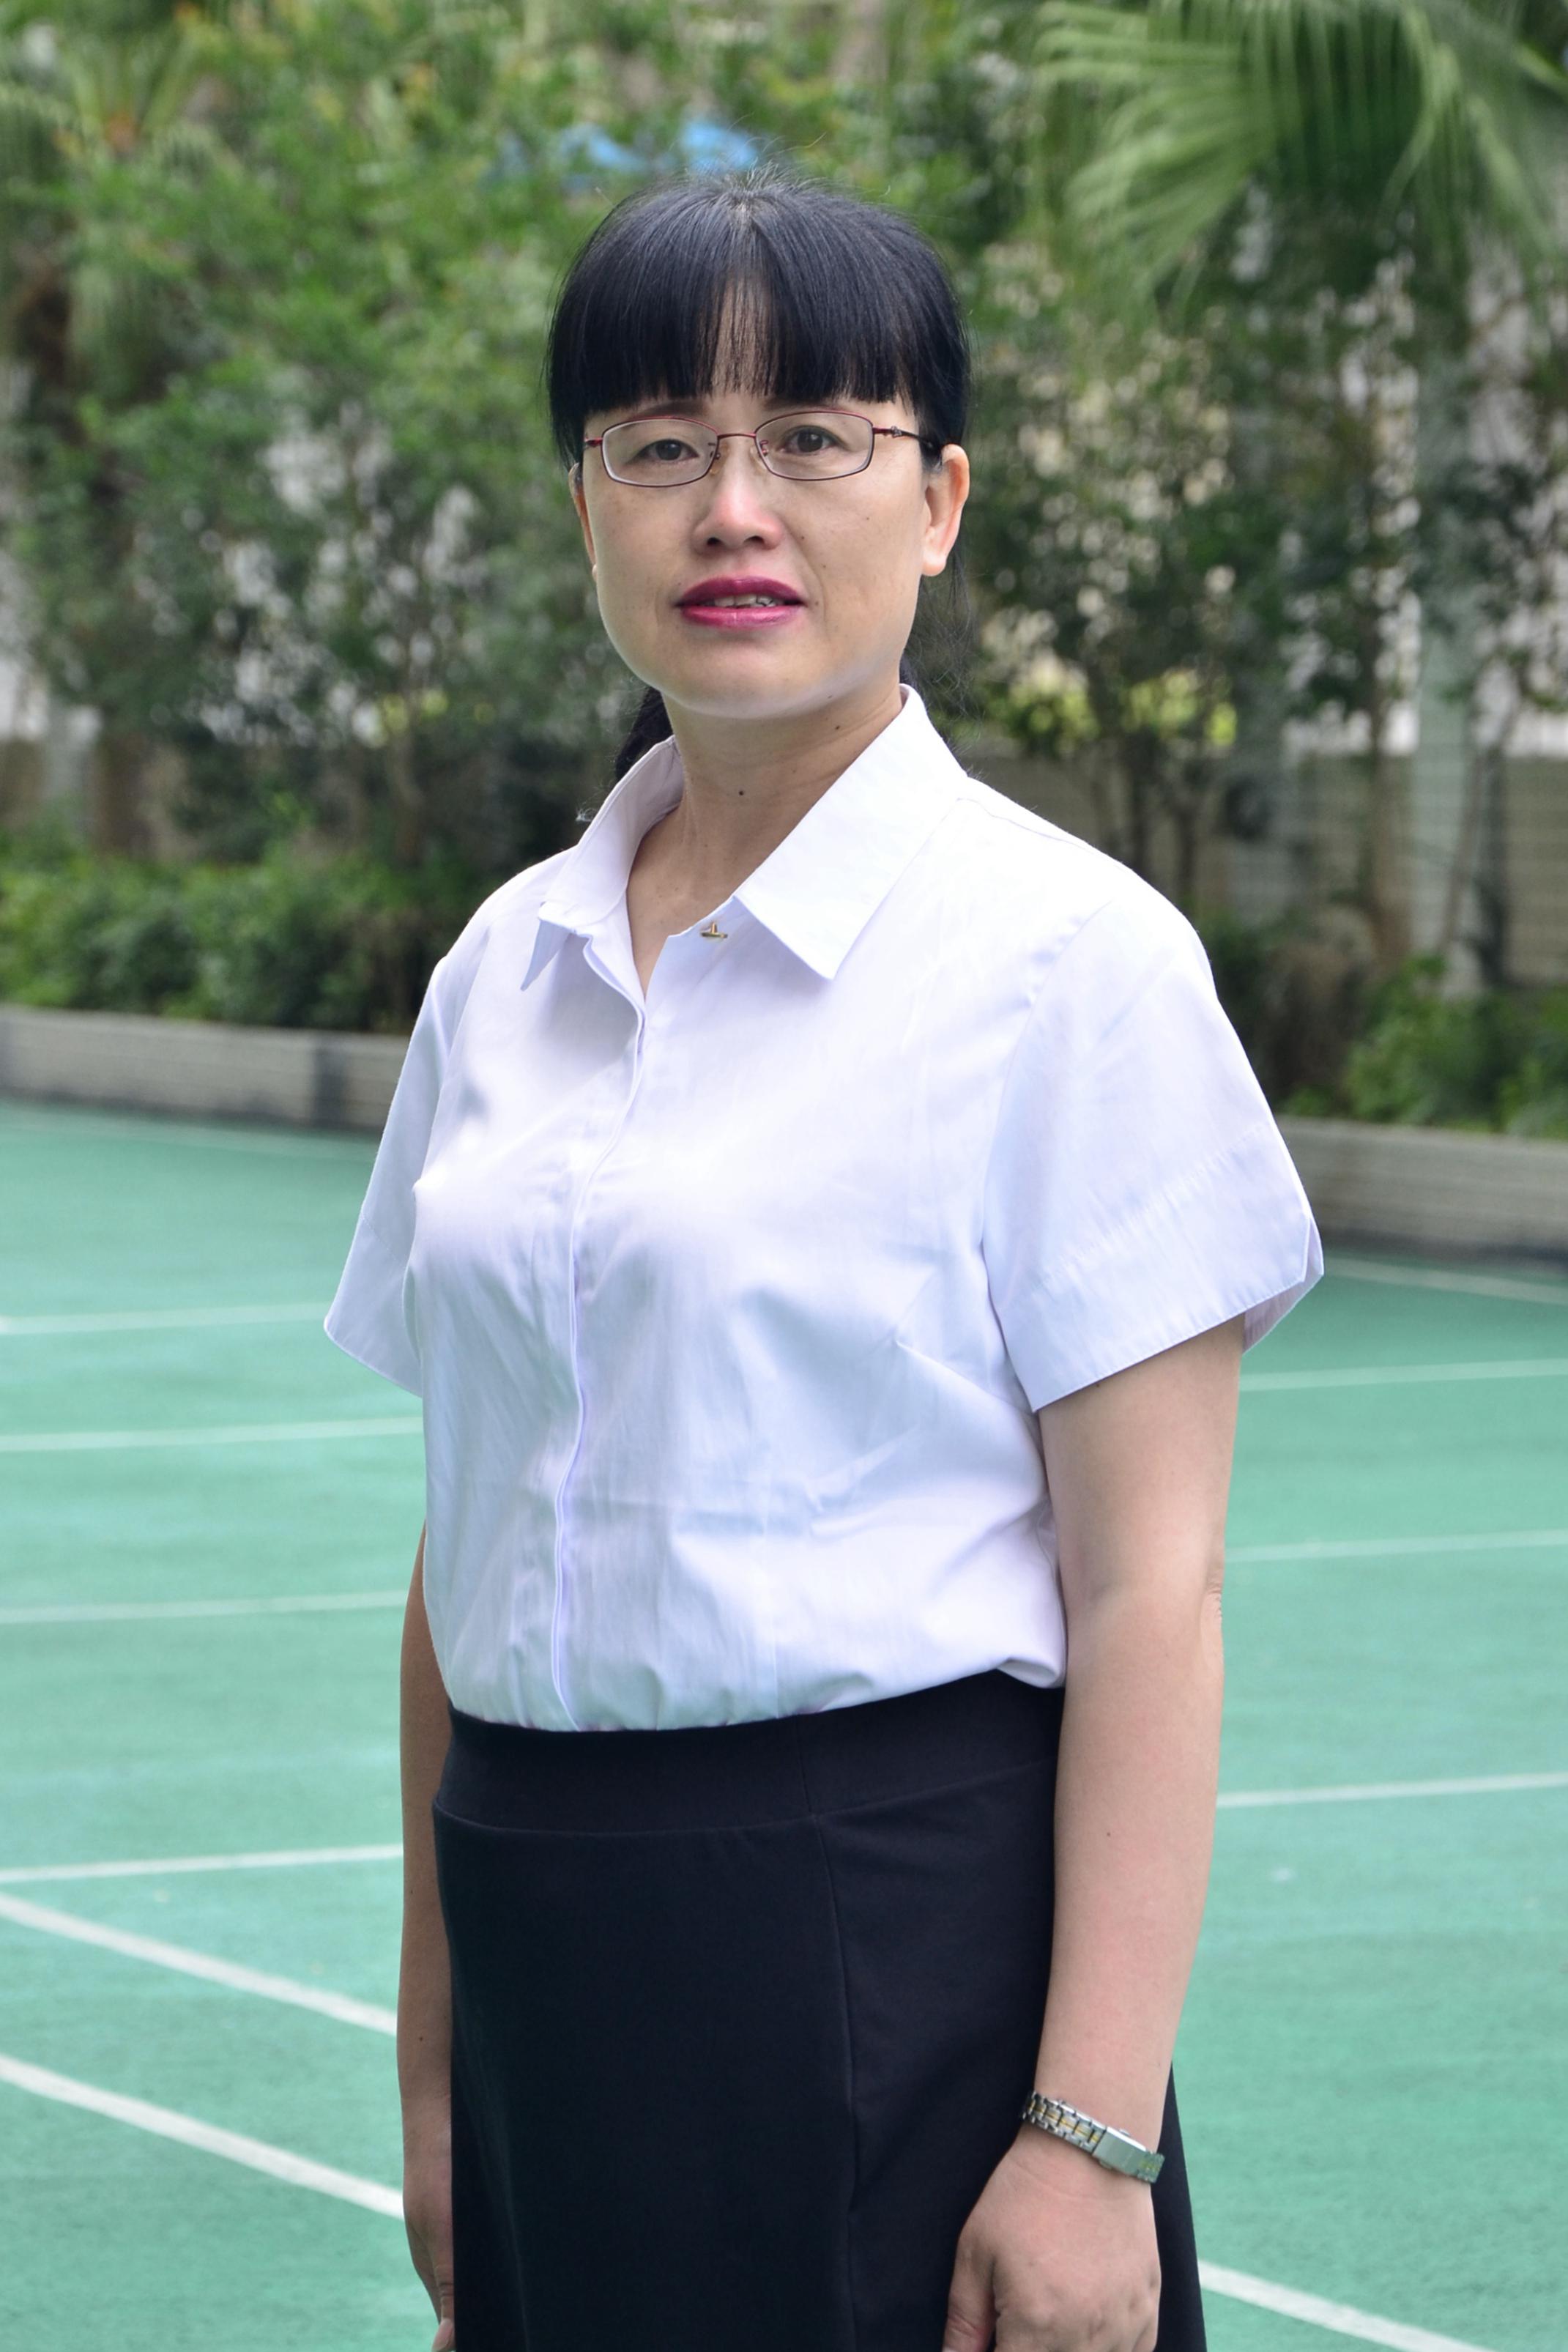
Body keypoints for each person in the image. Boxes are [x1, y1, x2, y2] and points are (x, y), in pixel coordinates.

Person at [324, 160, 1323, 2352]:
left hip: (888, 1945)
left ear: (941, 500)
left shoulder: (1067, 963)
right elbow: (462, 1539)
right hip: (540, 1933)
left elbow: (1150, 1591)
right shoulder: (506, 968)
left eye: (811, 440)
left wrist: (1090, 2139)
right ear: (586, 505)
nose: (732, 510)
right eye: (659, 447)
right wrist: (433, 2078)